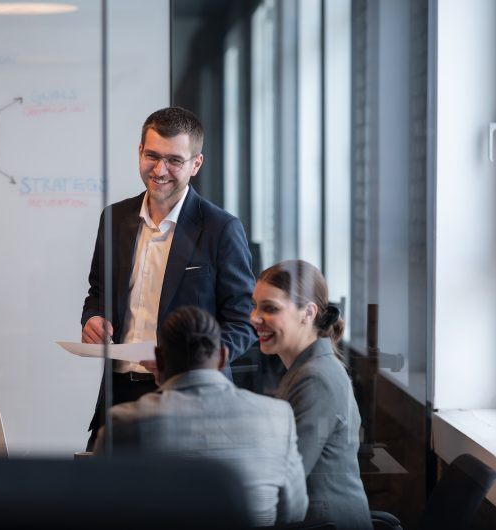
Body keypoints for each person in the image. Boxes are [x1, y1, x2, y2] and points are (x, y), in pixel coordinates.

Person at [81, 106, 256, 450]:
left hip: (191, 397)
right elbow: (98, 291)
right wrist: (93, 318)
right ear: (140, 153)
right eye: (152, 156)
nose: (160, 170)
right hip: (120, 392)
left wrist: (196, 362)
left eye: (175, 160)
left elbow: (243, 321)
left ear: (196, 164)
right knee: (105, 501)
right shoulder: (115, 218)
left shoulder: (221, 228)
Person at [92, 306, 308, 527]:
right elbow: (294, 513)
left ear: (159, 358)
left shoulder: (123, 423)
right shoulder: (278, 416)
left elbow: (98, 509)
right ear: (223, 357)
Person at [252, 260, 372, 529]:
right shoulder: (307, 368)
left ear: (307, 313)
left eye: (270, 308)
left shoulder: (315, 377)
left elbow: (286, 477)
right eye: (255, 305)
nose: (254, 318)